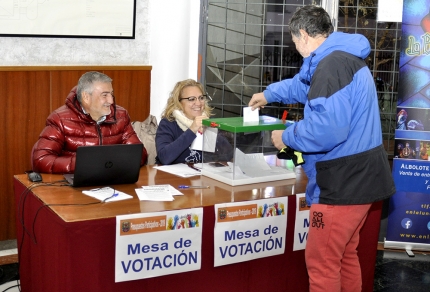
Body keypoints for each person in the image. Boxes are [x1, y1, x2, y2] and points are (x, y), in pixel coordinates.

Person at [248, 5, 395, 292]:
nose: (293, 45)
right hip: (363, 177)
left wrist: (287, 136)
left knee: (322, 262)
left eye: (293, 40)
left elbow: (327, 131)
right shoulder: (341, 57)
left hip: (343, 182)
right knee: (344, 256)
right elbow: (305, 88)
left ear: (303, 34)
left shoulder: (330, 66)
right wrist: (269, 94)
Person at [31, 71, 147, 173]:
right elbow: (41, 159)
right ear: (86, 97)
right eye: (105, 95)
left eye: (111, 94)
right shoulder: (60, 119)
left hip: (113, 181)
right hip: (72, 186)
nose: (111, 101)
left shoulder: (121, 116)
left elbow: (140, 154)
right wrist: (84, 163)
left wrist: (111, 162)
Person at [155, 79, 232, 165]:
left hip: (202, 175)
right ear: (179, 103)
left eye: (201, 98)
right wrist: (192, 129)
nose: (198, 103)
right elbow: (164, 157)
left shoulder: (208, 121)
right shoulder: (168, 123)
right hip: (174, 176)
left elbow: (228, 155)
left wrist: (210, 131)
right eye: (191, 99)